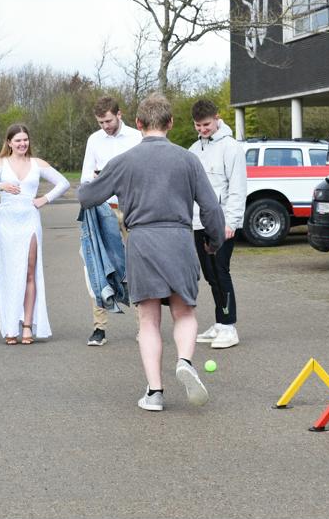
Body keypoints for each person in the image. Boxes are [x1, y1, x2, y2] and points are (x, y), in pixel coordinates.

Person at [77, 93, 226, 412]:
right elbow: (211, 208)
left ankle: (155, 393)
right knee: (184, 312)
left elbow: (87, 195)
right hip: (179, 240)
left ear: (139, 124)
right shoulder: (188, 160)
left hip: (142, 242)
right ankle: (184, 361)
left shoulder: (125, 161)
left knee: (148, 321)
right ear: (171, 123)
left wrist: (101, 180)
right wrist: (214, 242)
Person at [0, 124, 70, 345]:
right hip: (6, 221)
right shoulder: (0, 163)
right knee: (11, 272)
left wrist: (44, 199)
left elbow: (63, 183)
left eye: (25, 140)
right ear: (9, 142)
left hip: (29, 220)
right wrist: (2, 185)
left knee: (30, 271)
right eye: (18, 140)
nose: (22, 144)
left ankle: (28, 325)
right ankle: (11, 327)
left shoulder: (37, 164)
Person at [80, 96, 143, 347]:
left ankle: (144, 327)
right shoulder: (94, 140)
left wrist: (106, 176)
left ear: (119, 114)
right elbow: (87, 178)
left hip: (133, 210)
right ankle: (99, 328)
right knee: (97, 266)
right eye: (100, 122)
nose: (105, 126)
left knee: (137, 268)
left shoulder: (137, 138)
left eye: (108, 120)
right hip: (103, 208)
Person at [188, 99, 247, 349]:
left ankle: (229, 326)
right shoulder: (193, 150)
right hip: (198, 223)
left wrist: (231, 221)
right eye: (198, 125)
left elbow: (237, 188)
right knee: (210, 275)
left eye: (206, 124)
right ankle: (220, 323)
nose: (202, 129)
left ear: (217, 118)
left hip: (222, 223)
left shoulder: (232, 148)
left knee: (221, 272)